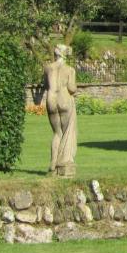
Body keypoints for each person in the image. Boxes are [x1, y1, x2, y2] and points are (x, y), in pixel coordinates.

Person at [45, 43, 78, 176]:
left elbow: (46, 84)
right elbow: (72, 88)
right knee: (66, 132)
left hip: (51, 99)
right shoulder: (70, 70)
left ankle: (53, 163)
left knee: (57, 133)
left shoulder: (48, 68)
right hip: (64, 99)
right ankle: (64, 161)